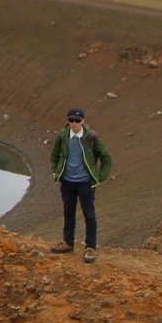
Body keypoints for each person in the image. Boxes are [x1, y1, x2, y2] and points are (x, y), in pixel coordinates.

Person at [48, 106, 111, 262]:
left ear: (83, 121)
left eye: (77, 120)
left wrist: (100, 177)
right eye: (71, 120)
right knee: (68, 212)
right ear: (68, 121)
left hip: (85, 183)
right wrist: (55, 171)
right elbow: (55, 154)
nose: (74, 123)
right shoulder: (63, 135)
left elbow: (106, 157)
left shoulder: (91, 137)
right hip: (67, 182)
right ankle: (68, 243)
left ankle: (90, 248)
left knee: (89, 214)